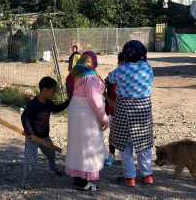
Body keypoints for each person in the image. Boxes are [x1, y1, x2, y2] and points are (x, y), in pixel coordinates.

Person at [108, 40, 154, 187]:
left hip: (124, 111)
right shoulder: (148, 68)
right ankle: (147, 176)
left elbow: (110, 79)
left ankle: (129, 178)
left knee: (125, 145)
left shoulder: (121, 69)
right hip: (143, 111)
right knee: (144, 145)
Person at [64, 51, 108, 191]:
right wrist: (103, 117)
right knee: (87, 145)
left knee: (77, 145)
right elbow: (94, 98)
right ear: (92, 61)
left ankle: (77, 178)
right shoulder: (90, 76)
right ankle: (83, 182)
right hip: (86, 114)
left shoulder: (75, 71)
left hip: (76, 111)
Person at [20, 76, 69, 189]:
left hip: (44, 137)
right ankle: (26, 180)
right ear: (45, 90)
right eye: (53, 91)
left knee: (51, 153)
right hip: (32, 137)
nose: (54, 94)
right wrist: (29, 133)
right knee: (30, 159)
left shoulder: (49, 103)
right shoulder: (33, 104)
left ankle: (52, 167)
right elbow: (24, 117)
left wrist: (68, 102)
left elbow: (56, 109)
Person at [103, 52, 125, 166]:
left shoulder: (130, 76)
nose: (124, 65)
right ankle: (111, 155)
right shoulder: (112, 75)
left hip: (126, 110)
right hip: (114, 110)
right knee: (113, 133)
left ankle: (126, 157)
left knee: (127, 133)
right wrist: (110, 101)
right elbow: (101, 88)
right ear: (118, 63)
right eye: (122, 63)